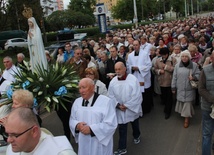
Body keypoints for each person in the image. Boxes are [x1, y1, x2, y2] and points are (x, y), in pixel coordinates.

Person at [69, 78, 117, 155]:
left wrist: (91, 129)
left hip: (99, 145)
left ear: (93, 87)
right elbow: (72, 120)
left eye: (84, 87)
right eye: (80, 88)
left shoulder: (106, 102)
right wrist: (77, 125)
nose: (81, 91)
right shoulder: (77, 102)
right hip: (83, 143)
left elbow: (111, 124)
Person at [5, 107, 76, 155]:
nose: (9, 140)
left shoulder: (60, 152)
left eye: (14, 135)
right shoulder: (11, 150)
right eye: (8, 134)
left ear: (34, 131)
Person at [108, 62, 142, 155]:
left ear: (125, 69)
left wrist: (127, 105)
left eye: (119, 69)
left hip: (131, 108)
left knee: (134, 123)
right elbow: (110, 96)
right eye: (116, 70)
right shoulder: (113, 81)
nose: (117, 71)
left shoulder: (133, 79)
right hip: (120, 109)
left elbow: (137, 95)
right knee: (122, 129)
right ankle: (122, 148)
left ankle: (136, 135)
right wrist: (118, 105)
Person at [171, 50, 200, 128]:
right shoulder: (177, 66)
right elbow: (174, 77)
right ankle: (184, 115)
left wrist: (194, 77)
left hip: (189, 88)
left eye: (186, 56)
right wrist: (173, 87)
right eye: (183, 56)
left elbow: (199, 74)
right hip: (180, 88)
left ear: (189, 57)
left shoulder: (194, 65)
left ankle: (186, 119)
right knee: (182, 102)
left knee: (188, 103)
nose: (184, 58)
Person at [127, 39, 153, 114]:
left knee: (145, 94)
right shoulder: (130, 55)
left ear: (139, 45)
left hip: (143, 77)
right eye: (134, 45)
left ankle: (146, 109)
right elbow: (128, 65)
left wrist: (139, 68)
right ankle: (138, 109)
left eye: (136, 45)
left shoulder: (145, 54)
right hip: (135, 77)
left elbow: (149, 65)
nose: (135, 46)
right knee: (137, 94)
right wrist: (132, 68)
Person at [198, 50, 214, 155]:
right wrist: (212, 99)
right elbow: (201, 88)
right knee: (207, 134)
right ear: (211, 59)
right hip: (208, 108)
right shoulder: (206, 70)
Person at [154, 47, 176, 119]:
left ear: (167, 54)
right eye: (161, 55)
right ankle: (166, 107)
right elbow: (155, 69)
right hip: (161, 81)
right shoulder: (158, 60)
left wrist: (166, 67)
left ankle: (168, 111)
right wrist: (159, 71)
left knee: (169, 98)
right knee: (164, 96)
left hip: (169, 81)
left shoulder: (172, 60)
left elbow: (175, 69)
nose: (162, 57)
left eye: (164, 55)